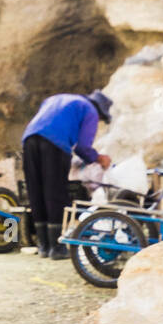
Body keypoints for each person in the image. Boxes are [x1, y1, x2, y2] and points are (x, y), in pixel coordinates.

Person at [21, 90, 113, 258]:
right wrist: (99, 158)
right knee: (54, 192)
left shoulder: (55, 98)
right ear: (100, 111)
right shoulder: (90, 110)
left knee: (36, 191)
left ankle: (44, 246)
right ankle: (57, 248)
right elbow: (83, 147)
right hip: (55, 145)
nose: (98, 121)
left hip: (29, 139)